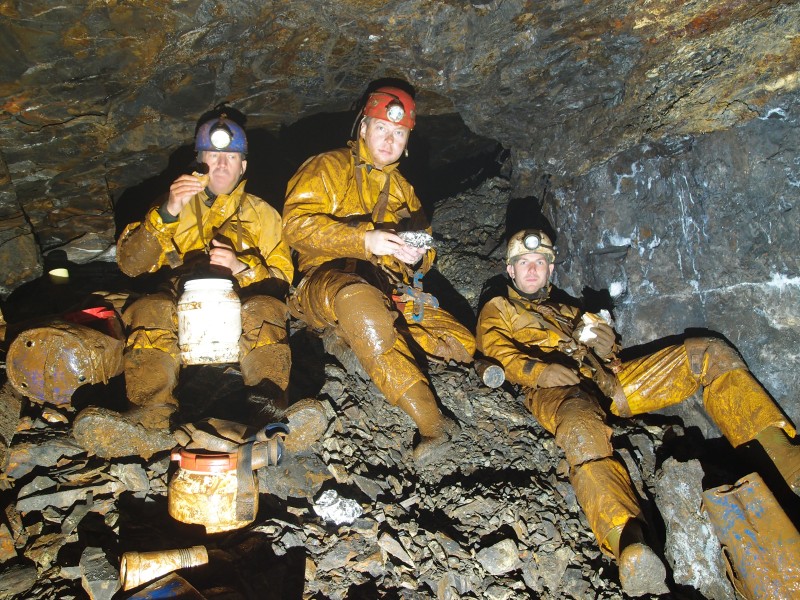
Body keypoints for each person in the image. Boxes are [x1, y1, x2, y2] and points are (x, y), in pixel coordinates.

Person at [476, 228, 800, 597]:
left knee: (706, 352)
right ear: (510, 270)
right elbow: (493, 349)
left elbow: (603, 341)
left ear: (550, 269)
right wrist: (538, 371)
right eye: (524, 264)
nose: (532, 270)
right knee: (582, 427)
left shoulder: (566, 308)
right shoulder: (498, 307)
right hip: (554, 391)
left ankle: (782, 456)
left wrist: (608, 342)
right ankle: (627, 540)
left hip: (607, 383)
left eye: (540, 263)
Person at [65, 113, 326, 458]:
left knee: (265, 310)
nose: (221, 164)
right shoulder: (171, 203)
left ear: (243, 166)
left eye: (230, 157)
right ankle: (149, 421)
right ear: (199, 161)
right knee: (148, 309)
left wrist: (240, 267)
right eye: (213, 156)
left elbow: (282, 279)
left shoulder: (263, 215)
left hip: (240, 306)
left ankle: (270, 419)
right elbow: (131, 264)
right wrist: (168, 211)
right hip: (181, 303)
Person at [282, 85, 475, 462]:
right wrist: (364, 240)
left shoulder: (404, 190)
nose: (390, 140)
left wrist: (418, 256)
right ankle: (432, 424)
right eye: (382, 129)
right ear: (363, 127)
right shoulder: (326, 167)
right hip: (325, 281)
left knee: (462, 343)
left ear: (407, 142)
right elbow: (294, 226)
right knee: (358, 299)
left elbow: (426, 249)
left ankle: (353, 341)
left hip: (389, 284)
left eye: (399, 133)